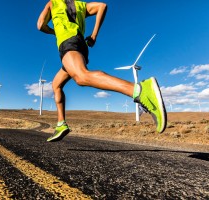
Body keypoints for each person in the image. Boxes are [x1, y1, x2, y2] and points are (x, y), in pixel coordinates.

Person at [37, 0, 167, 142]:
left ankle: (139, 90)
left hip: (68, 43)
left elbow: (40, 25)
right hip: (79, 43)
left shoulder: (52, 3)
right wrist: (94, 35)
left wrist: (54, 31)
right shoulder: (81, 5)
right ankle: (61, 124)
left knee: (81, 77)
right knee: (56, 84)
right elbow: (102, 6)